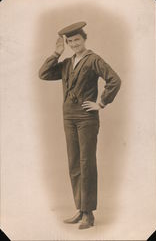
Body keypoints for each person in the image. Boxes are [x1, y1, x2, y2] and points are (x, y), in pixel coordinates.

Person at [39, 21, 121, 229]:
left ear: (84, 39)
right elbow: (44, 74)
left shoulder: (93, 60)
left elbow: (114, 80)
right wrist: (56, 53)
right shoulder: (66, 63)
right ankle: (80, 209)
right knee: (74, 164)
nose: (74, 44)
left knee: (86, 164)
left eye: (77, 40)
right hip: (68, 118)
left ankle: (89, 214)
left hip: (86, 119)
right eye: (70, 41)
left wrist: (101, 103)